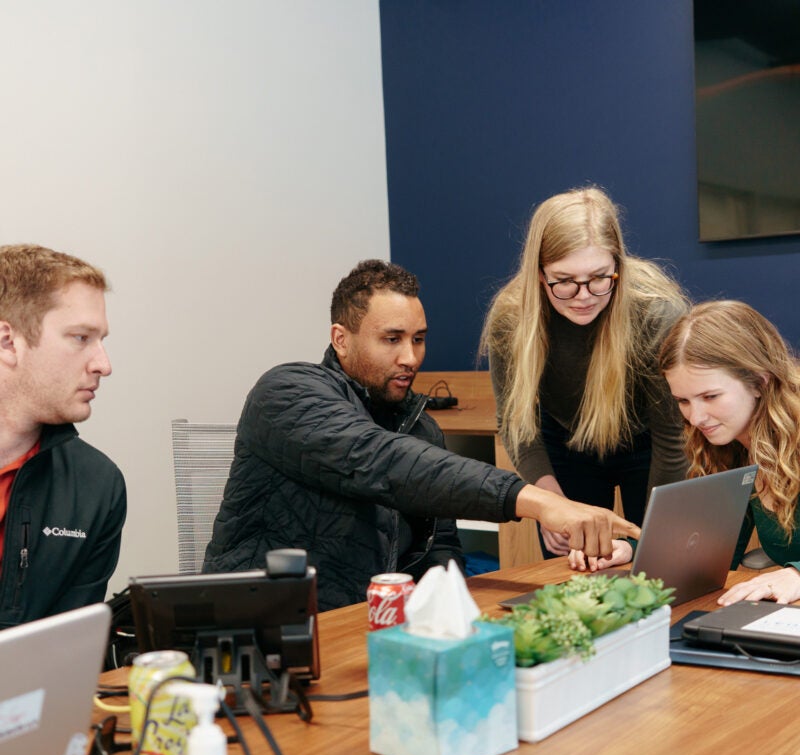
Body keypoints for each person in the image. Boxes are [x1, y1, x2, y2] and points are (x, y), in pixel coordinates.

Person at [202, 259, 638, 610]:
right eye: (392, 339)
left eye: (419, 339)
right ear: (341, 338)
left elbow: (440, 551)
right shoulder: (287, 392)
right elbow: (381, 461)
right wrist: (541, 502)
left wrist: (455, 618)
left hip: (371, 632)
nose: (410, 357)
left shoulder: (423, 428)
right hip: (259, 629)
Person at [480, 186, 688, 568]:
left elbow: (672, 437)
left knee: (656, 563)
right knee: (576, 562)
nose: (583, 295)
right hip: (565, 443)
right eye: (564, 280)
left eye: (598, 277)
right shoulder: (511, 319)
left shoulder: (656, 313)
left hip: (648, 444)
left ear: (618, 267)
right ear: (539, 274)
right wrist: (550, 505)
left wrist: (650, 543)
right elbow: (516, 425)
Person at [0, 244, 126, 627]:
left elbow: (61, 651)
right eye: (81, 338)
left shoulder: (97, 486)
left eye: (101, 340)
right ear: (8, 342)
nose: (103, 365)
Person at [657, 300, 800, 606]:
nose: (695, 418)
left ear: (759, 382)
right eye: (683, 400)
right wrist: (631, 547)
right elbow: (708, 550)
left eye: (710, 396)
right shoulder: (729, 445)